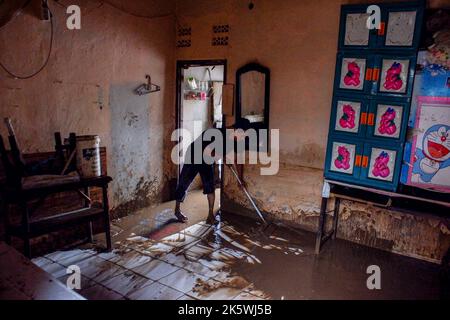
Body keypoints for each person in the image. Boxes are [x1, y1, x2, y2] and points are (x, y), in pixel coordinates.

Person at [174, 118, 251, 224]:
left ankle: (210, 215)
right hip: (194, 155)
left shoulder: (236, 140)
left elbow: (237, 160)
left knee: (210, 187)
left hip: (207, 160)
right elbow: (210, 152)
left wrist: (240, 179)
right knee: (184, 183)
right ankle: (177, 210)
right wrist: (224, 157)